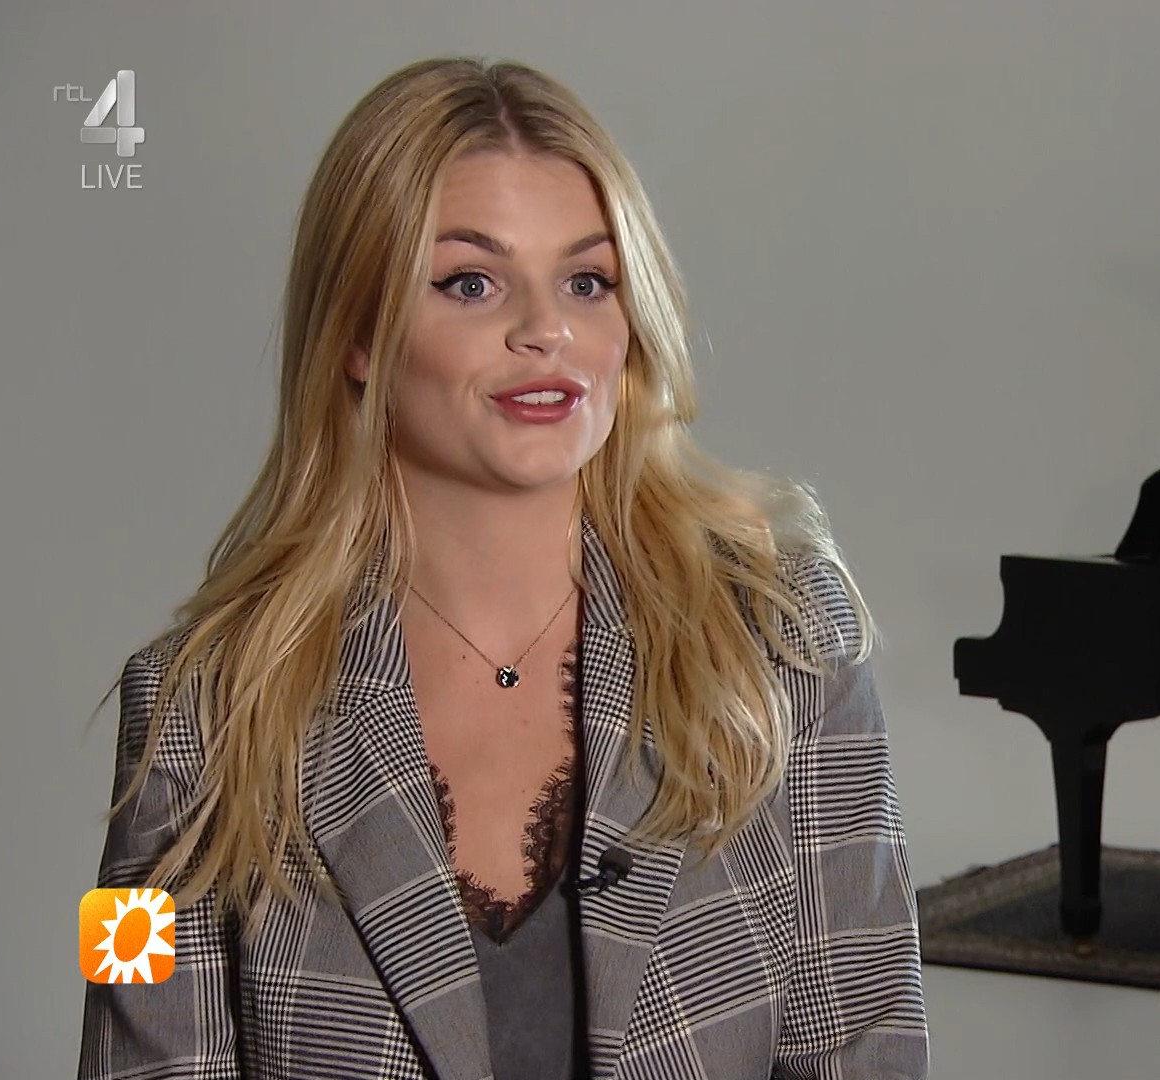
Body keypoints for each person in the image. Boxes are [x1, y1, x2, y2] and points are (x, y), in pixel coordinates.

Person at [78, 55, 927, 1080]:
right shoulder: (190, 708)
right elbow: (131, 1054)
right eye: (470, 283)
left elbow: (869, 1038)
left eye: (588, 282)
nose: (546, 330)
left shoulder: (787, 637)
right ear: (357, 334)